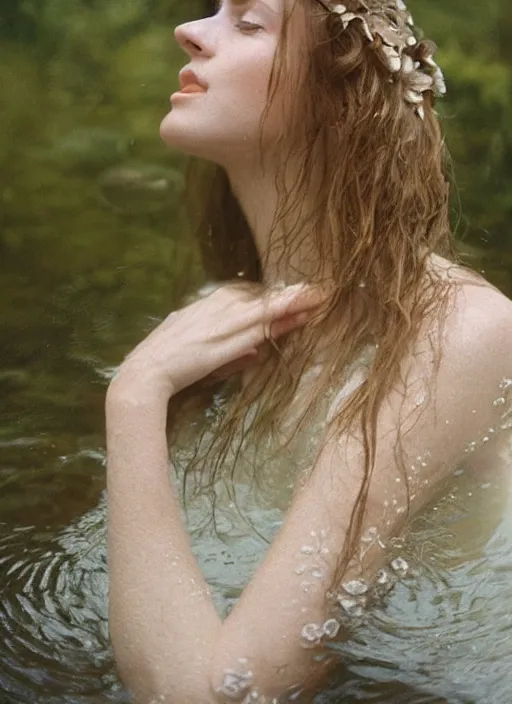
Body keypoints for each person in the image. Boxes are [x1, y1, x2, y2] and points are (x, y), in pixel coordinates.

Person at [105, 0, 512, 702]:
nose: (191, 31)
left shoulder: (457, 329)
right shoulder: (229, 325)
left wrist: (135, 394)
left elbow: (218, 697)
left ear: (335, 97)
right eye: (213, 12)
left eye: (248, 22)